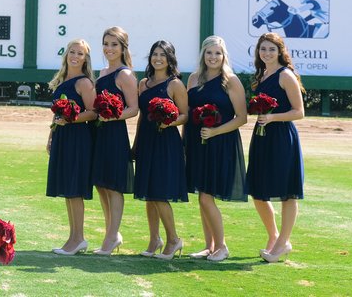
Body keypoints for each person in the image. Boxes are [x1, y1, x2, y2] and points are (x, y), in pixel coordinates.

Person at [184, 36, 247, 262]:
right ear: (203, 54)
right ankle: (209, 246)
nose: (213, 57)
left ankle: (221, 246)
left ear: (224, 56)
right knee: (202, 194)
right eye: (209, 53)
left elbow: (242, 118)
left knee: (206, 197)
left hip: (220, 143)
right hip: (196, 142)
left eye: (217, 53)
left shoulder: (230, 81)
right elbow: (187, 111)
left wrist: (215, 131)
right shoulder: (193, 79)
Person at [246, 32, 305, 263]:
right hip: (262, 137)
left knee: (287, 192)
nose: (267, 53)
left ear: (280, 51)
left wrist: (272, 118)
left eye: (271, 49)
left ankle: (282, 243)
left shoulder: (285, 75)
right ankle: (274, 237)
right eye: (263, 49)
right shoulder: (262, 76)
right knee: (258, 191)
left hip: (281, 137)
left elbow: (299, 112)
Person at [132, 40, 188, 260]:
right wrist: (136, 145)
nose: (158, 58)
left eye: (162, 54)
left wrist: (169, 122)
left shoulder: (175, 85)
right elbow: (141, 117)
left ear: (170, 58)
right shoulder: (143, 83)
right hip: (146, 140)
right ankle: (155, 239)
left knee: (159, 192)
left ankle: (174, 239)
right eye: (155, 54)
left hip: (166, 141)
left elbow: (185, 115)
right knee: (148, 193)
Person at [45, 39, 97, 255]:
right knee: (67, 190)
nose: (75, 56)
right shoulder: (62, 80)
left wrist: (71, 120)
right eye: (72, 52)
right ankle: (74, 238)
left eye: (80, 53)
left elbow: (94, 112)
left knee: (75, 190)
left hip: (77, 139)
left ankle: (78, 239)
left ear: (86, 58)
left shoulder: (84, 83)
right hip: (62, 137)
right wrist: (51, 135)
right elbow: (58, 114)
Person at [91, 26, 137, 255]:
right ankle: (112, 233)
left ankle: (111, 236)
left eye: (114, 45)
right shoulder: (102, 72)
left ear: (122, 48)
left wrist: (112, 116)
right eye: (106, 44)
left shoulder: (125, 74)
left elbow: (134, 109)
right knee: (101, 184)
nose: (109, 49)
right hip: (99, 133)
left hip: (115, 134)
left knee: (114, 186)